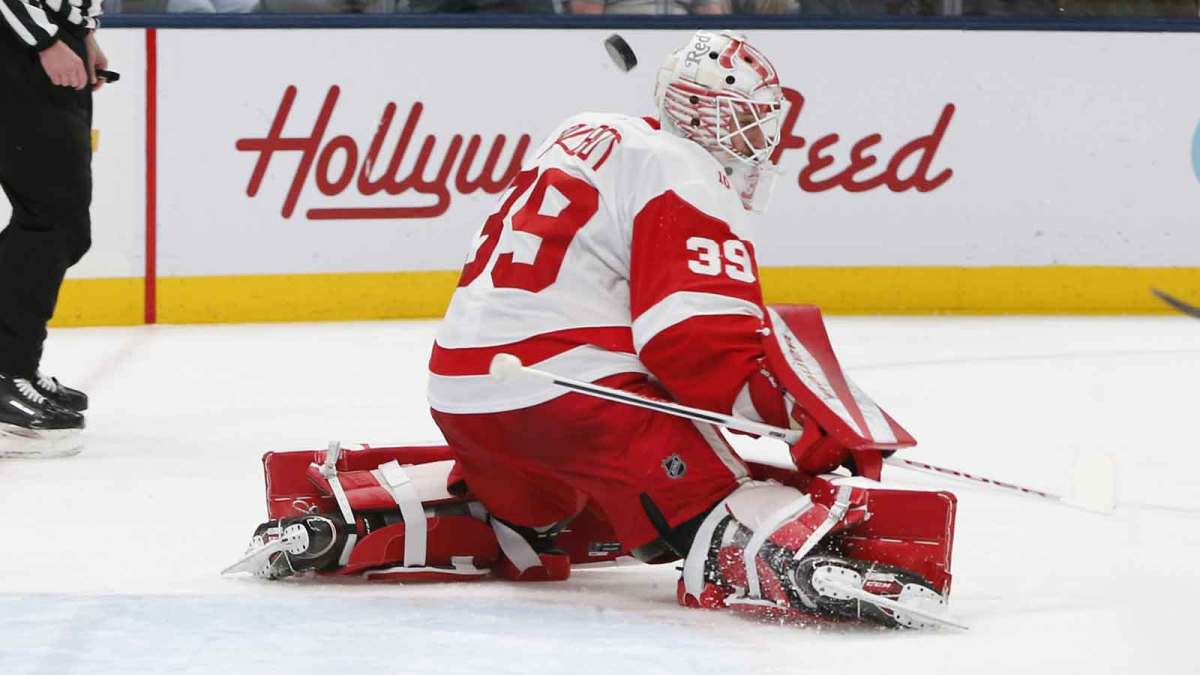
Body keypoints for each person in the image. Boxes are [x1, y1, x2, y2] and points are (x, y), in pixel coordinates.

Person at [234, 31, 952, 628]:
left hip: (464, 395)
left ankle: (395, 516)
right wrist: (802, 418)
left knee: (539, 505)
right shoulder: (685, 170)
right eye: (749, 117)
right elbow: (694, 346)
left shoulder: (586, 132)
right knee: (712, 491)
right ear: (706, 115)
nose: (763, 136)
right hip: (570, 399)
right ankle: (783, 563)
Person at [0, 0, 105, 457]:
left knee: (63, 223)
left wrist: (81, 30)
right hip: (19, 45)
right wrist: (43, 39)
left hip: (45, 39)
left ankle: (16, 363)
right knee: (51, 218)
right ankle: (7, 371)